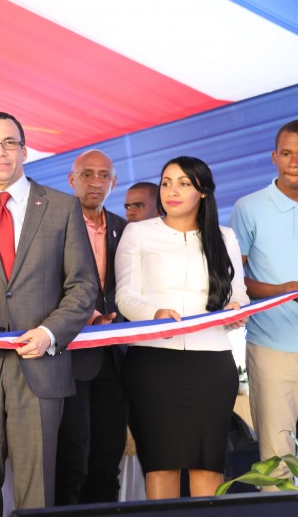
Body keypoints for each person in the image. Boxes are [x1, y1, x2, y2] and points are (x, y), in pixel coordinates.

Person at [0, 111, 97, 514]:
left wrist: (50, 333)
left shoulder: (62, 207)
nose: (0, 152)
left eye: (9, 142)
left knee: (38, 493)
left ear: (25, 151)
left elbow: (83, 285)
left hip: (40, 366)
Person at [115, 156, 249, 499]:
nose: (172, 191)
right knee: (161, 467)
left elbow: (240, 295)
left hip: (212, 364)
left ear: (203, 192)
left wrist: (238, 310)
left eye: (184, 183)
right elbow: (125, 296)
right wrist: (153, 313)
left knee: (209, 467)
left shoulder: (225, 236)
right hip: (154, 364)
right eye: (166, 183)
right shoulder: (138, 233)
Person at [231, 119, 298, 483]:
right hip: (271, 345)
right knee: (277, 459)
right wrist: (284, 290)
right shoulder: (249, 207)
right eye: (288, 153)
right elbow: (235, 281)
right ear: (274, 157)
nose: (296, 161)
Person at [56, 149, 128, 505]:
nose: (95, 182)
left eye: (103, 175)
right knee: (72, 460)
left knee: (107, 458)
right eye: (87, 174)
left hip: (115, 360)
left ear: (113, 182)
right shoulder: (53, 226)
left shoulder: (124, 229)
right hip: (70, 358)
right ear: (72, 180)